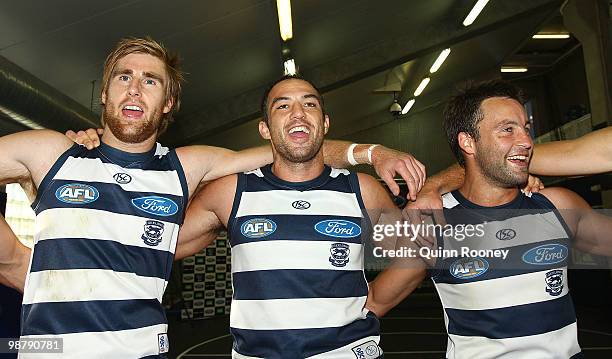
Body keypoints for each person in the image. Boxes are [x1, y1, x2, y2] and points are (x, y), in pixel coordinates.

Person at [0, 38, 425, 358]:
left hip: (143, 349)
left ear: (167, 103)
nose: (134, 89)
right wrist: (17, 257)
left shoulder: (186, 166)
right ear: (104, 93)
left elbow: (294, 146)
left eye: (150, 81)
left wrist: (373, 153)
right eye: (123, 78)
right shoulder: (52, 152)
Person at [177, 75, 426, 358]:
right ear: (265, 129)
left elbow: (415, 257)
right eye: (282, 106)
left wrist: (372, 303)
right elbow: (162, 248)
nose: (298, 113)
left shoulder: (362, 190)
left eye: (310, 104)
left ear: (326, 123)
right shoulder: (229, 192)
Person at [366, 80, 612, 358]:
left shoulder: (557, 206)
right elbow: (375, 301)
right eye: (508, 130)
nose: (527, 142)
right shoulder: (433, 223)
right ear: (468, 142)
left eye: (526, 129)